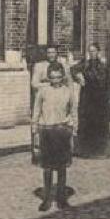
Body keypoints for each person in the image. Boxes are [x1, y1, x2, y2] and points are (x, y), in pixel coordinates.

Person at [32, 66, 75, 211]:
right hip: (47, 131)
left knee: (62, 167)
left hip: (62, 131)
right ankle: (47, 199)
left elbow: (73, 110)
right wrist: (35, 129)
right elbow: (36, 110)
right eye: (52, 77)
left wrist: (72, 127)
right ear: (49, 77)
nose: (55, 80)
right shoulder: (43, 91)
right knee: (48, 168)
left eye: (58, 77)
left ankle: (62, 199)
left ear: (62, 77)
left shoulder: (67, 92)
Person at [72, 42, 110, 158]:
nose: (92, 53)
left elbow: (106, 83)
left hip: (100, 99)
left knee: (99, 125)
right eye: (90, 51)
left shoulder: (103, 66)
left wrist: (109, 100)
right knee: (86, 124)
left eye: (94, 51)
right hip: (87, 98)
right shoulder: (85, 64)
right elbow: (72, 69)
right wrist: (78, 77)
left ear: (98, 52)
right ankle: (85, 151)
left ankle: (100, 151)